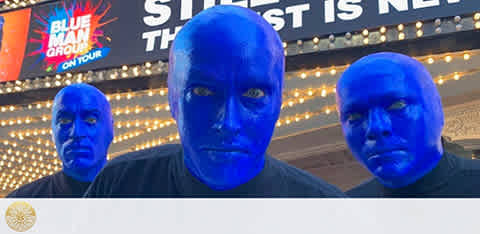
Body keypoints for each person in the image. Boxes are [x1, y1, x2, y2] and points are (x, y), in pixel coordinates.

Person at [85, 5, 344, 198]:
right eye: (203, 93)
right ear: (172, 98)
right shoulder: (119, 186)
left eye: (253, 94)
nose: (228, 123)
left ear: (279, 102)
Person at [336, 52, 480, 197]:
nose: (376, 127)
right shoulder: (344, 211)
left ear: (437, 107)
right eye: (354, 116)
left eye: (398, 105)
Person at [7, 84, 113, 198]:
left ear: (111, 129)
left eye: (91, 120)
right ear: (52, 131)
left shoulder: (133, 193)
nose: (76, 132)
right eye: (64, 121)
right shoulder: (22, 201)